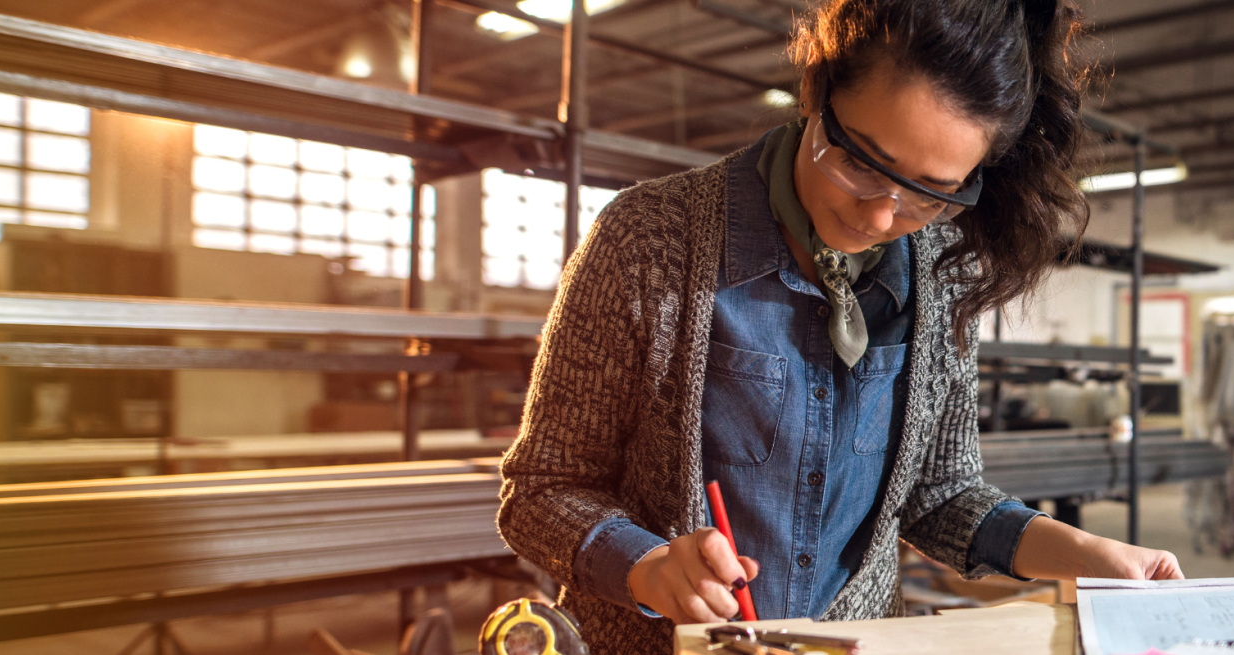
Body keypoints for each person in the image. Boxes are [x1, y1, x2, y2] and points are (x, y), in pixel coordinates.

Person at [495, 0, 1182, 651]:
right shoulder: (650, 239)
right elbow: (541, 488)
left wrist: (1085, 553)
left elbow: (942, 494)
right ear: (816, 94)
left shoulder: (941, 272)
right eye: (860, 161)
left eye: (929, 192)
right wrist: (643, 564)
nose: (881, 216)